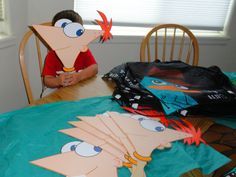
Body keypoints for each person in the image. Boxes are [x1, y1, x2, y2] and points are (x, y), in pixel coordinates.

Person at [42, 10, 98, 89]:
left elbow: (94, 68)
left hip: (79, 88)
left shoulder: (83, 50)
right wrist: (58, 81)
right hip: (57, 91)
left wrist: (79, 76)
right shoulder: (52, 55)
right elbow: (47, 81)